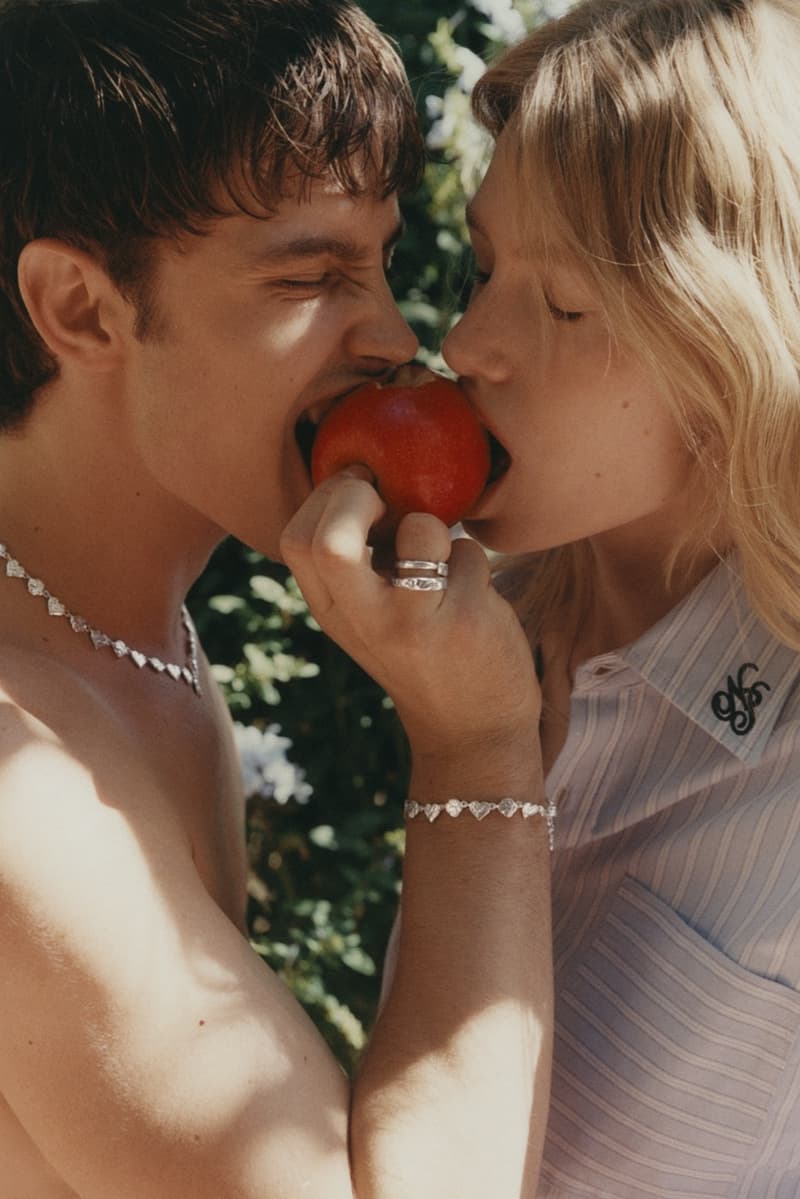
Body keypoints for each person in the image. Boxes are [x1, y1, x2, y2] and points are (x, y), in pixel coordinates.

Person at [0, 1, 554, 1197]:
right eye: (313, 274)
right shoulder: (19, 778)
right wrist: (477, 751)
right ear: (82, 309)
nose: (394, 333)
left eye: (384, 263)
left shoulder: (127, 628)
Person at [353, 0, 800, 1194]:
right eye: (486, 265)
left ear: (735, 345)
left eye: (563, 307)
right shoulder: (477, 621)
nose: (467, 343)